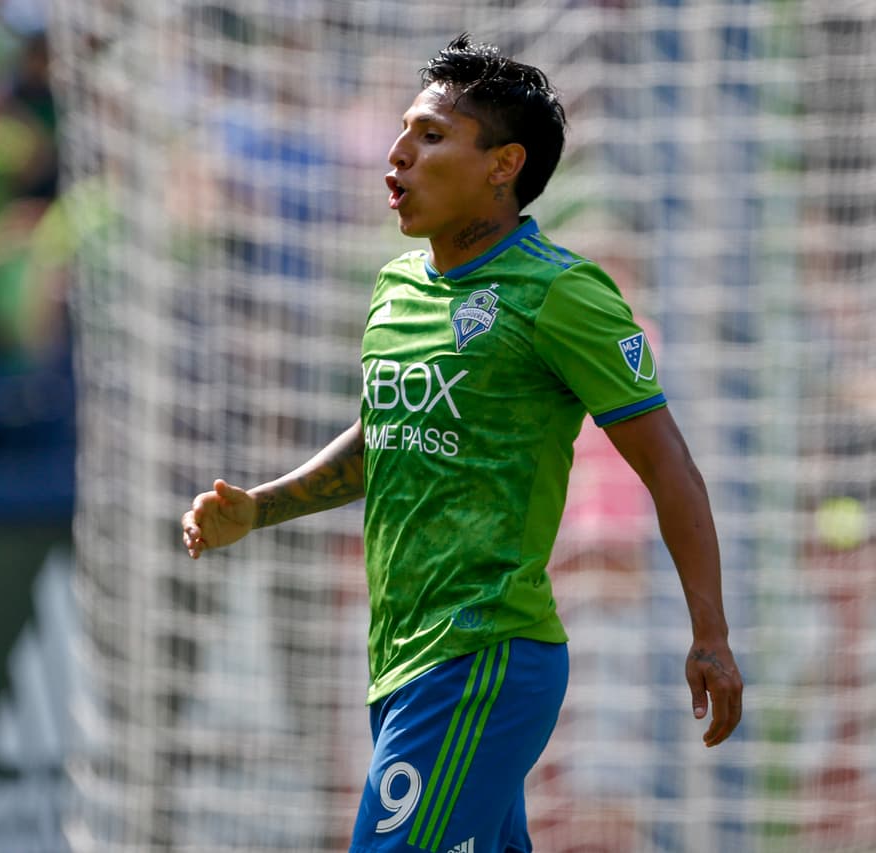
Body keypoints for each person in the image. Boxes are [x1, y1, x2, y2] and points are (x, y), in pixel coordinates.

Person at [180, 34, 742, 853]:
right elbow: (387, 438)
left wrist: (711, 636)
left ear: (503, 165)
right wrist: (260, 508)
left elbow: (669, 466)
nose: (398, 153)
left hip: (484, 657)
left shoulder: (561, 294)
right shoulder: (396, 287)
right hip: (401, 662)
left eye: (432, 136)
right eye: (403, 130)